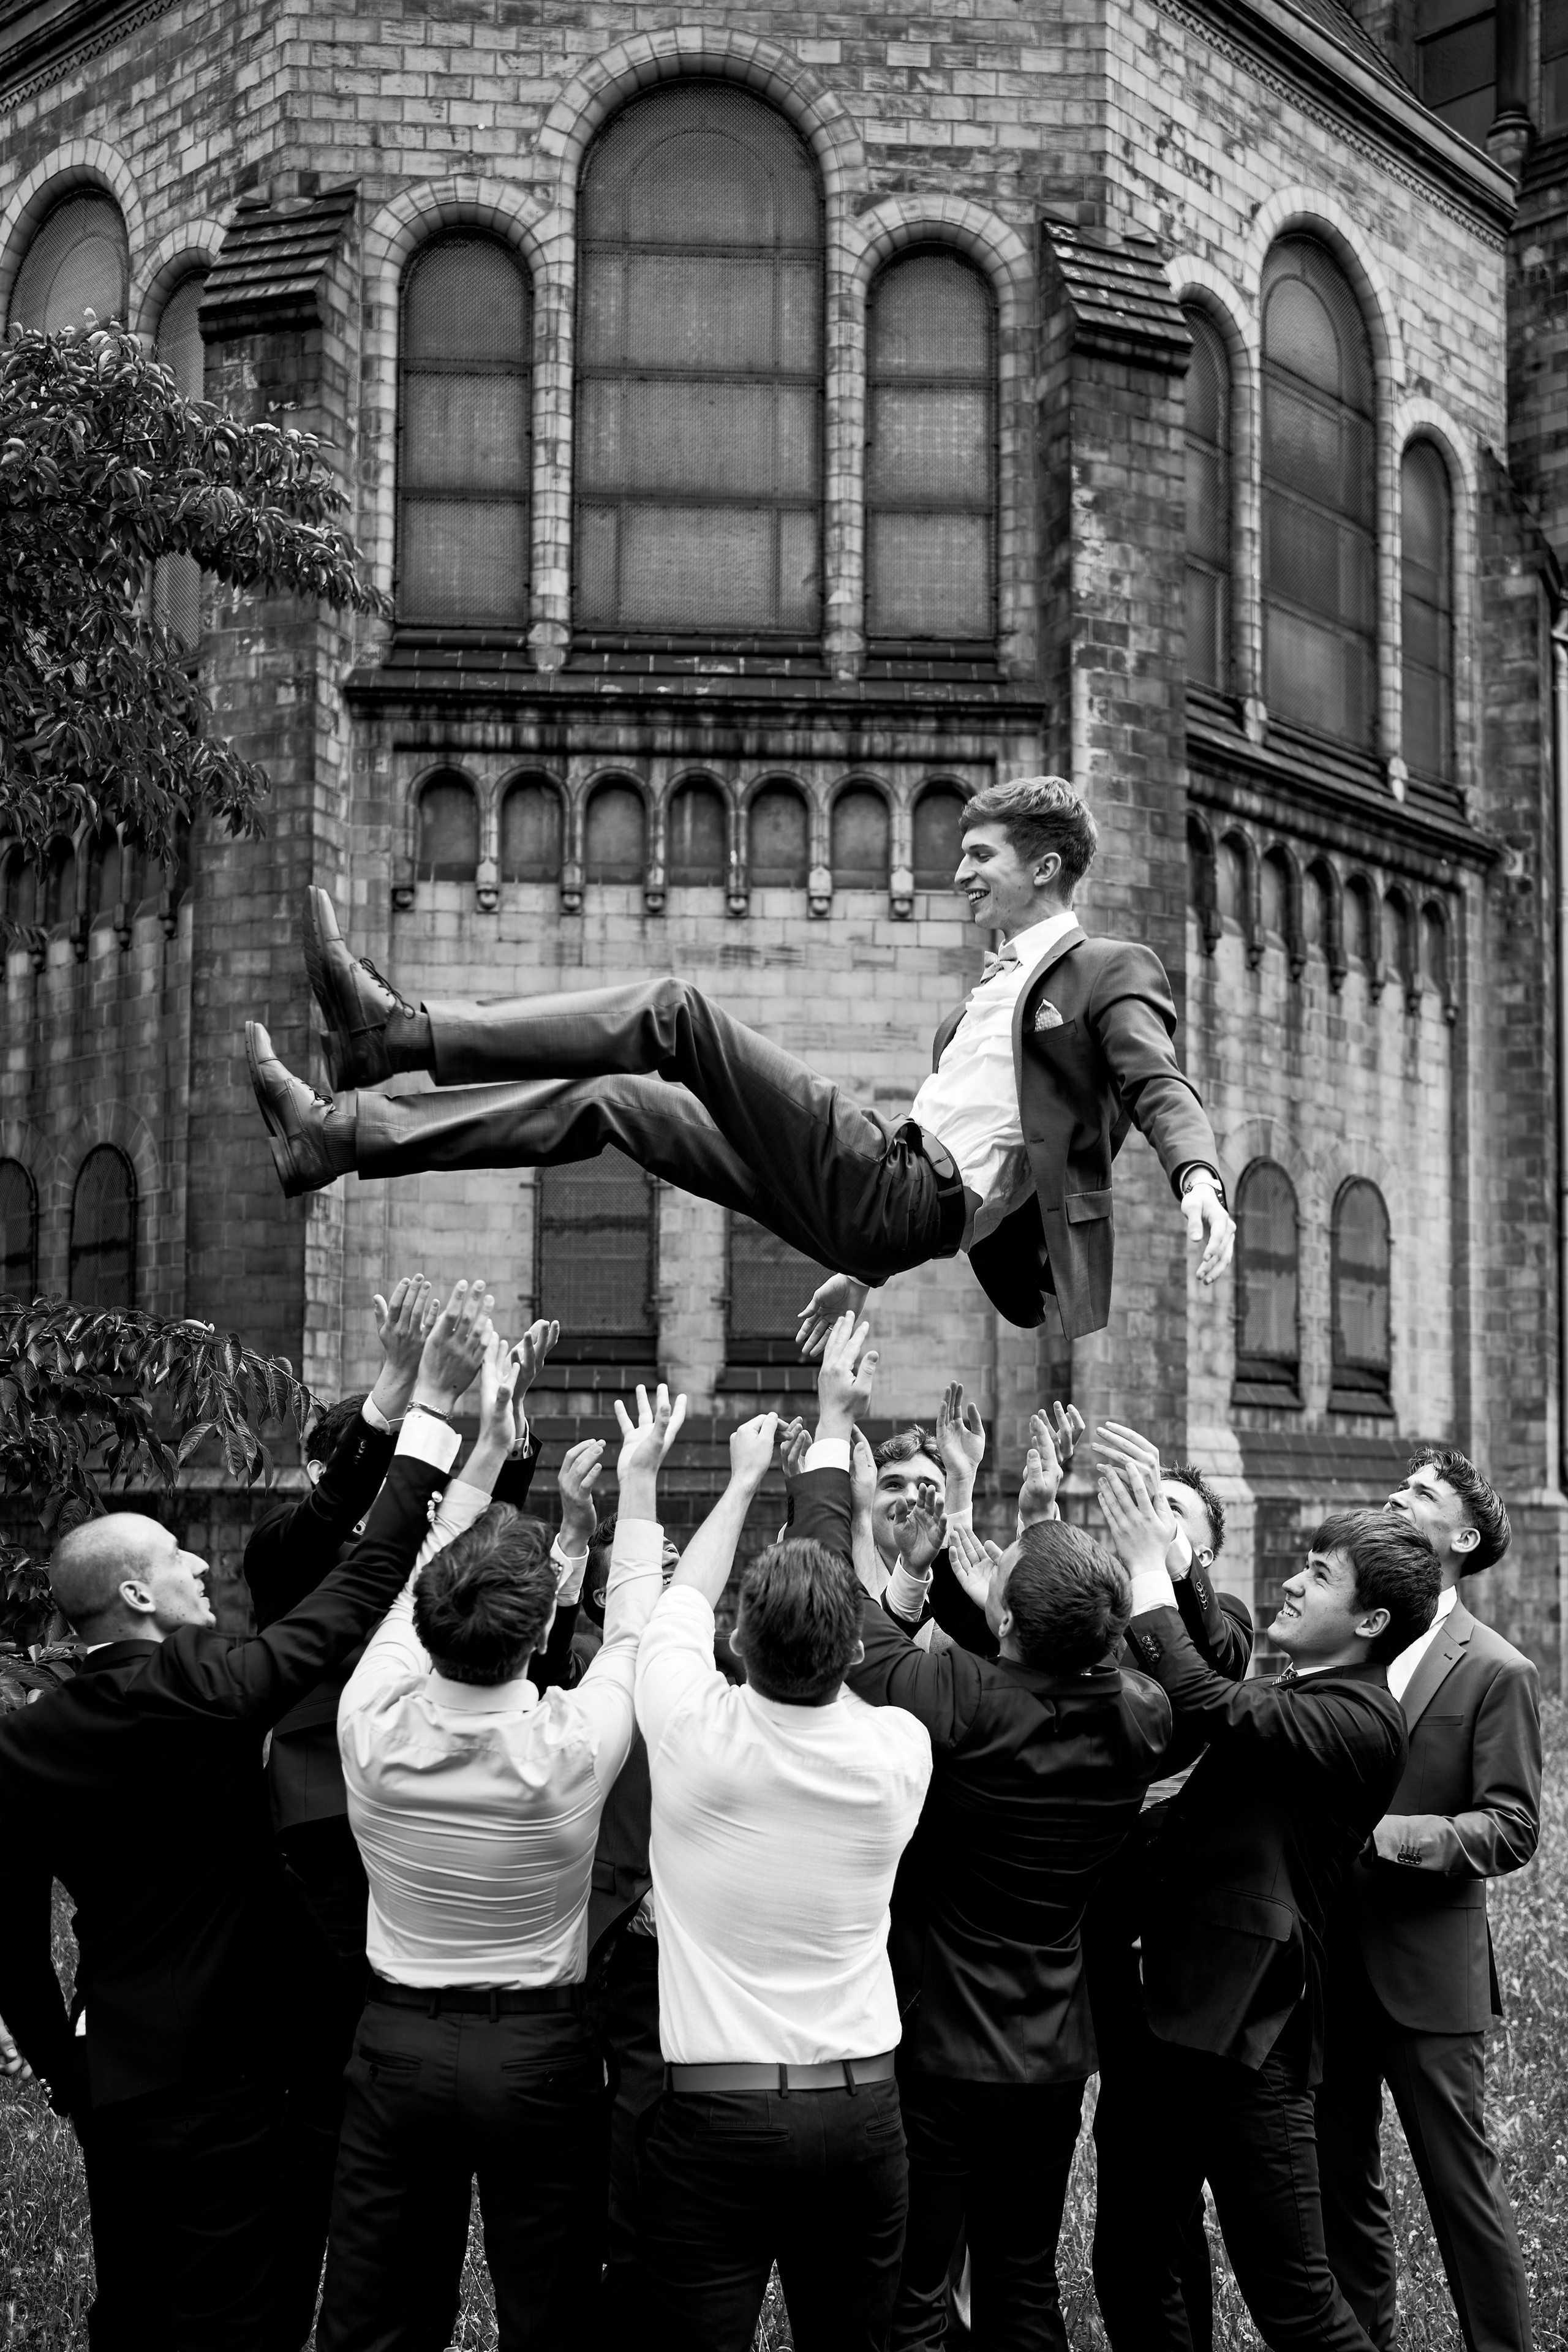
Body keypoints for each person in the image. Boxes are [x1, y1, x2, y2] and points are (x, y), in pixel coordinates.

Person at [245, 775, 1235, 1341]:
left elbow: (1157, 1081)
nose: (961, 872)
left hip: (898, 1190)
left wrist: (1196, 1176)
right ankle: (336, 1138)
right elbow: (997, 1163)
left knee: (675, 1014)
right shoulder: (977, 1003)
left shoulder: (1107, 969)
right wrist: (863, 1267)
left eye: (982, 856)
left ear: (1046, 867)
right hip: (884, 1206)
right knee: (618, 1108)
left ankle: (397, 1037)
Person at [0, 1275, 496, 2352]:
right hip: (231, 2089)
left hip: (124, 2085)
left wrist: (66, 2067)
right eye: (180, 1561)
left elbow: (7, 1938)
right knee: (243, 2320)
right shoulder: (195, 1685)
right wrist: (428, 1434)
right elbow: (349, 1592)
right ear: (137, 1596)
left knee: (132, 2312)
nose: (200, 1568)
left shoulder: (33, 1736)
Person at [792, 1387, 1174, 2351]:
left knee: (919, 2288)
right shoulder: (1140, 1716)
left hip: (942, 2045)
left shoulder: (960, 1697)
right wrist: (1049, 1535)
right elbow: (1105, 1649)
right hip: (1050, 2046)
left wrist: (916, 1573)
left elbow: (863, 1649)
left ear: (1003, 1625)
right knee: (1022, 2279)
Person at [315, 1378, 686, 2352]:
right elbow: (640, 1635)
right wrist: (639, 1487)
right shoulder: (573, 1744)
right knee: (551, 2311)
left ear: (429, 1627)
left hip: (396, 2041)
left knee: (376, 2315)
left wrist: (481, 1452)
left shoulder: (369, 1722)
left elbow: (409, 1588)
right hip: (538, 2056)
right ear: (537, 1637)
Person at [631, 1315, 933, 2352]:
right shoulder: (901, 1753)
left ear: (736, 1645)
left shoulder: (689, 1730)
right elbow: (869, 1641)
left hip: (712, 2117)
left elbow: (681, 1596)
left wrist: (740, 1479)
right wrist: (832, 1433)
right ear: (853, 1644)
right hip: (862, 2115)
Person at [1091, 1462, 1442, 2352]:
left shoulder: (1363, 1721)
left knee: (1296, 2306)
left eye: (1321, 1574)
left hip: (1252, 2039)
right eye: (1305, 1562)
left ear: (1370, 1622)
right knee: (1133, 2263)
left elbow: (1205, 1699)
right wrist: (1175, 1557)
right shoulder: (1297, 1691)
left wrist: (1143, 1568)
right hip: (1165, 2019)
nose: (1292, 1578)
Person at [1316, 1446, 1540, 2352]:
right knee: (1340, 2178)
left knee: (1461, 2188)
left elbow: (1513, 1827)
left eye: (1420, 1492)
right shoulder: (1347, 1636)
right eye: (1398, 1484)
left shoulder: (1498, 1670)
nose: (1394, 1496)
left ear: (1464, 1535)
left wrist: (1403, 1835)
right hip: (1326, 1959)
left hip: (1428, 1973)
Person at [1082, 1425, 1253, 2352]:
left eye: (1174, 1509)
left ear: (1204, 1549)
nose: (1150, 1517)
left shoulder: (1220, 1625)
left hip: (1163, 1958)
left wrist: (1173, 1557)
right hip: (1079, 1940)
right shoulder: (1090, 1627)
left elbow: (1214, 1664)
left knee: (1147, 2188)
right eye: (1142, 1506)